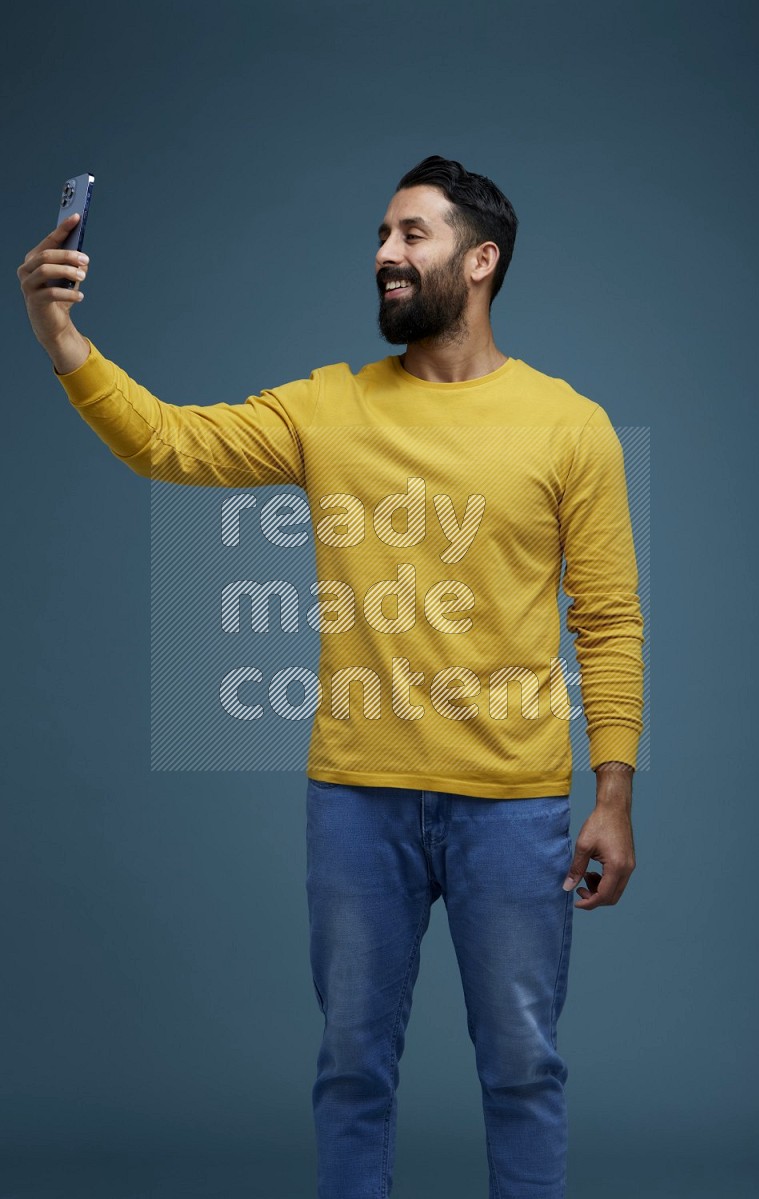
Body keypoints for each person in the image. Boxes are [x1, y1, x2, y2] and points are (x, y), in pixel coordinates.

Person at [18, 155, 644, 1199]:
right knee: (352, 1069)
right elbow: (169, 442)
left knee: (523, 1068)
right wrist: (60, 337)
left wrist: (612, 791)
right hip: (357, 801)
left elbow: (608, 617)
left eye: (411, 235)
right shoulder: (328, 407)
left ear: (480, 260)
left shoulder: (568, 425)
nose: (383, 255)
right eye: (382, 235)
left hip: (514, 804)